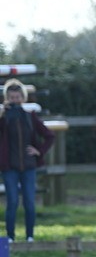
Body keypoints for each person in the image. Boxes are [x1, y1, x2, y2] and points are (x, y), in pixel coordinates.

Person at [0, 80, 55, 242]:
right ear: (7, 99)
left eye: (18, 97)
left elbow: (49, 136)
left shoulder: (30, 117)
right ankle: (10, 236)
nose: (15, 100)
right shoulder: (3, 119)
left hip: (29, 166)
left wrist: (39, 151)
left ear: (23, 98)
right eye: (12, 97)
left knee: (30, 202)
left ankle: (29, 235)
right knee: (12, 202)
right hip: (10, 167)